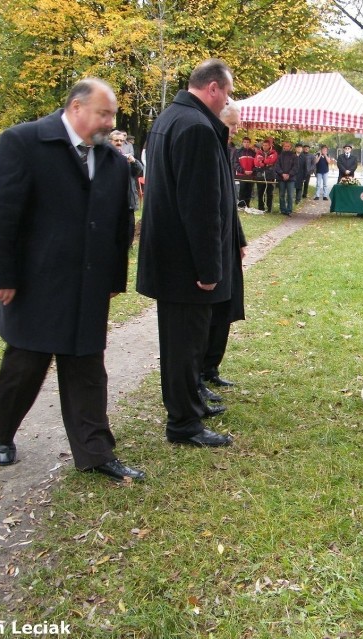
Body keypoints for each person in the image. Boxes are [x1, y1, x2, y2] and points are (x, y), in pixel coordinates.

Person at [0, 78, 144, 481]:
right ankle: (2, 433)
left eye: (113, 114)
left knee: (87, 368)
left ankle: (95, 452)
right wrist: (2, 275)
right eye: (104, 113)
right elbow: (0, 214)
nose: (111, 121)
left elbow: (117, 223)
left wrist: (112, 277)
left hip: (88, 284)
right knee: (25, 367)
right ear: (76, 108)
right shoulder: (24, 142)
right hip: (36, 282)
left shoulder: (108, 158)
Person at [137, 58, 237, 448]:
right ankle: (183, 423)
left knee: (182, 343)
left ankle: (189, 406)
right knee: (184, 345)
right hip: (185, 263)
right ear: (212, 88)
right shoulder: (194, 127)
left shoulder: (169, 118)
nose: (228, 100)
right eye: (226, 92)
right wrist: (210, 267)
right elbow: (200, 206)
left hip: (170, 256)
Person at [199, 100, 248, 407]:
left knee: (228, 307)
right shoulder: (207, 145)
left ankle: (212, 366)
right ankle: (199, 371)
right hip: (213, 245)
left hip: (229, 241)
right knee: (210, 312)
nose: (235, 131)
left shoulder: (225, 150)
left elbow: (230, 202)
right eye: (232, 125)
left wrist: (240, 239)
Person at [109, 129, 144, 246]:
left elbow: (138, 170)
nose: (119, 142)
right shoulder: (106, 157)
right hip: (113, 201)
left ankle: (127, 248)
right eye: (116, 140)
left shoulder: (127, 158)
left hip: (128, 201)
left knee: (130, 228)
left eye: (121, 141)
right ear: (110, 141)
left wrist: (133, 161)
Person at [274, 139, 297, 215]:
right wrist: (282, 174)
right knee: (281, 195)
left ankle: (289, 210)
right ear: (283, 147)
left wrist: (289, 174)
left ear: (290, 147)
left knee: (290, 195)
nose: (286, 147)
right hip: (281, 178)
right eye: (285, 146)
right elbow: (277, 166)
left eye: (288, 146)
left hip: (291, 178)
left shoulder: (294, 156)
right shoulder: (280, 156)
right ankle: (282, 209)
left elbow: (296, 167)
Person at [255, 138, 277, 212]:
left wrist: (263, 161)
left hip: (270, 175)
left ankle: (269, 208)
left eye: (266, 145)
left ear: (269, 146)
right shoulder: (258, 152)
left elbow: (272, 160)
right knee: (260, 192)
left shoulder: (274, 153)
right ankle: (260, 208)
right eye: (263, 145)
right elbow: (257, 163)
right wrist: (266, 163)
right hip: (260, 174)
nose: (264, 147)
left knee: (269, 193)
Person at [235, 136, 257, 207]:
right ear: (242, 143)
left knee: (249, 190)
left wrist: (252, 171)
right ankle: (241, 205)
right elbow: (235, 164)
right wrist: (243, 171)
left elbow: (256, 164)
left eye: (248, 142)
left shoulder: (253, 153)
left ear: (250, 143)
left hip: (250, 175)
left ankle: (247, 205)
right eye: (245, 142)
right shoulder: (238, 152)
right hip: (241, 175)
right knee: (242, 190)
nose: (246, 144)